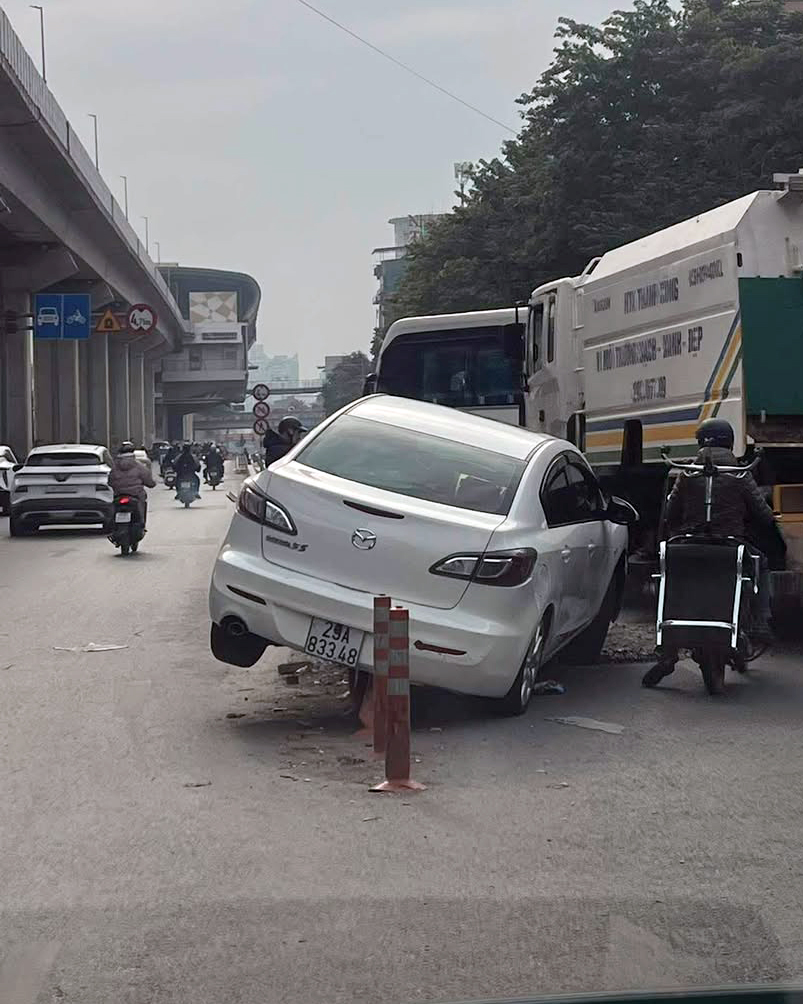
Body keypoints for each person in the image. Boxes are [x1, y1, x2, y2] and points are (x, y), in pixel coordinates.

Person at [643, 418, 777, 687]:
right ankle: (761, 621)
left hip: (687, 546)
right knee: (761, 563)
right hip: (730, 546)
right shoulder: (741, 473)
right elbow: (764, 515)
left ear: (700, 442)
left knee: (669, 581)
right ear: (729, 442)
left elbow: (670, 514)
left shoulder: (687, 473)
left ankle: (667, 652)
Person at [108, 442, 155, 527]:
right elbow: (149, 481)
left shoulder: (115, 468)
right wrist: (152, 484)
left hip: (119, 494)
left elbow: (110, 482)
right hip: (135, 494)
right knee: (142, 502)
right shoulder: (139, 466)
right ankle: (141, 522)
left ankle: (112, 523)